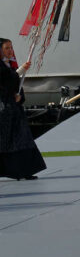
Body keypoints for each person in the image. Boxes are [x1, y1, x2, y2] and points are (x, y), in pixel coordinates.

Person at [0, 39, 44, 180]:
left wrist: (19, 96)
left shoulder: (10, 66)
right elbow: (5, 82)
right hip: (4, 111)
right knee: (6, 142)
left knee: (23, 140)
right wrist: (20, 70)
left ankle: (25, 171)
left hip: (15, 111)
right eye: (7, 48)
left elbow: (15, 84)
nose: (10, 50)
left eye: (11, 47)